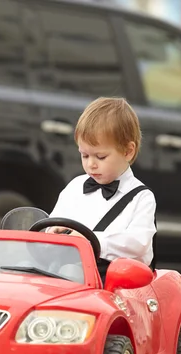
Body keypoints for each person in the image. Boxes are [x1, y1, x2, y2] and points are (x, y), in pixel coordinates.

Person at [46, 97, 157, 281]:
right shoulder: (75, 187)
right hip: (65, 274)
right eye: (84, 155)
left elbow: (138, 245)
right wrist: (53, 232)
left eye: (100, 156)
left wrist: (92, 240)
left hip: (114, 282)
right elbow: (52, 223)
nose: (91, 164)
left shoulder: (141, 198)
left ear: (128, 151)